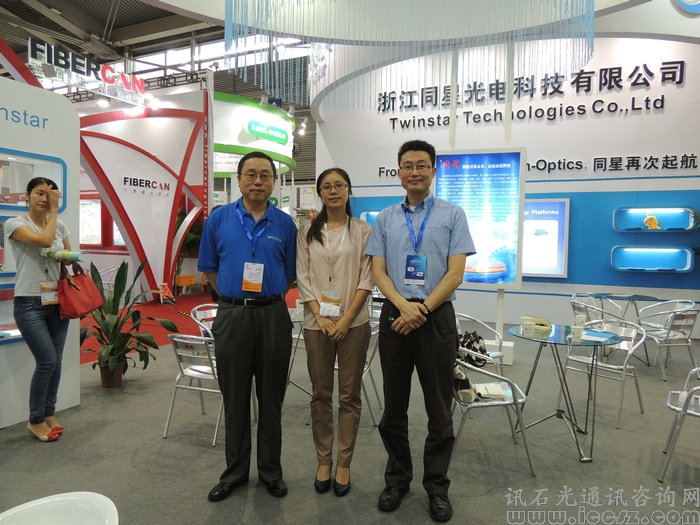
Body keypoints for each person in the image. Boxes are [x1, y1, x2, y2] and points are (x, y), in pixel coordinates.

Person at [365, 140, 475, 522]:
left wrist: (423, 308)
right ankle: (397, 480)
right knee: (393, 407)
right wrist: (403, 305)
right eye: (408, 165)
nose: (415, 171)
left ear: (433, 171)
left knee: (439, 409)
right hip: (395, 317)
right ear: (399, 172)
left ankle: (437, 487)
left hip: (436, 318)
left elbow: (455, 274)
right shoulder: (385, 218)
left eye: (422, 165)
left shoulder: (453, 215)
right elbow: (378, 272)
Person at [198, 151, 298, 502]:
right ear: (238, 179)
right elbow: (210, 269)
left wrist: (266, 296)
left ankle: (271, 472)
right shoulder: (219, 219)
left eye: (265, 175)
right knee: (235, 398)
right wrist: (233, 297)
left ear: (273, 182)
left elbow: (290, 275)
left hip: (273, 316)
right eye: (251, 174)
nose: (258, 181)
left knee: (271, 399)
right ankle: (235, 473)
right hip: (232, 316)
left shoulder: (285, 224)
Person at [296, 168, 373, 497]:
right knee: (320, 394)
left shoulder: (363, 230)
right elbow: (302, 276)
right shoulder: (307, 231)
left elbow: (367, 277)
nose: (333, 191)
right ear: (320, 193)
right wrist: (321, 316)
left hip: (353, 323)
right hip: (318, 323)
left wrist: (345, 319)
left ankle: (344, 463)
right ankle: (323, 460)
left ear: (348, 190)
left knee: (349, 396)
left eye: (339, 185)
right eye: (326, 186)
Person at [7, 177, 78, 442]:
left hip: (57, 301)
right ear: (27, 195)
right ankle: (35, 420)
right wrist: (55, 211)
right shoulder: (15, 223)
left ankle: (48, 413)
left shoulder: (60, 225)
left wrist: (66, 256)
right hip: (29, 303)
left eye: (49, 195)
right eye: (39, 193)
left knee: (56, 359)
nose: (45, 199)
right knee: (47, 360)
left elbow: (67, 258)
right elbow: (46, 241)